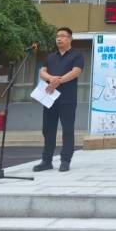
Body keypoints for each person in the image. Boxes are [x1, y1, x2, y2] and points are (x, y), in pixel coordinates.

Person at [33, 27, 84, 173]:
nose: (59, 39)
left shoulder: (76, 55)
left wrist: (58, 81)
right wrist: (51, 79)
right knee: (48, 130)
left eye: (62, 36)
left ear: (70, 39)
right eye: (57, 36)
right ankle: (46, 161)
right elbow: (42, 71)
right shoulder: (51, 57)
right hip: (50, 98)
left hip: (67, 99)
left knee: (67, 130)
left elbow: (76, 71)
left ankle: (65, 160)